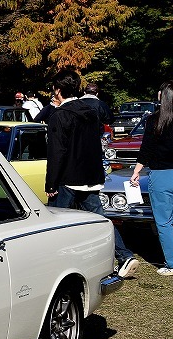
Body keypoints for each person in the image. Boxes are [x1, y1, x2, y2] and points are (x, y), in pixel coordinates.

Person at [45, 70, 139, 274]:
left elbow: (56, 151)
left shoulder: (60, 115)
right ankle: (123, 255)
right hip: (90, 175)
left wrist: (50, 183)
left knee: (56, 223)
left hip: (67, 177)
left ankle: (55, 265)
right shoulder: (90, 111)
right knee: (100, 220)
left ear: (58, 90)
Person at [130, 81, 173, 276]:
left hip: (161, 176)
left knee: (164, 222)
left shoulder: (153, 121)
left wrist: (136, 171)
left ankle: (171, 263)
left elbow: (145, 150)